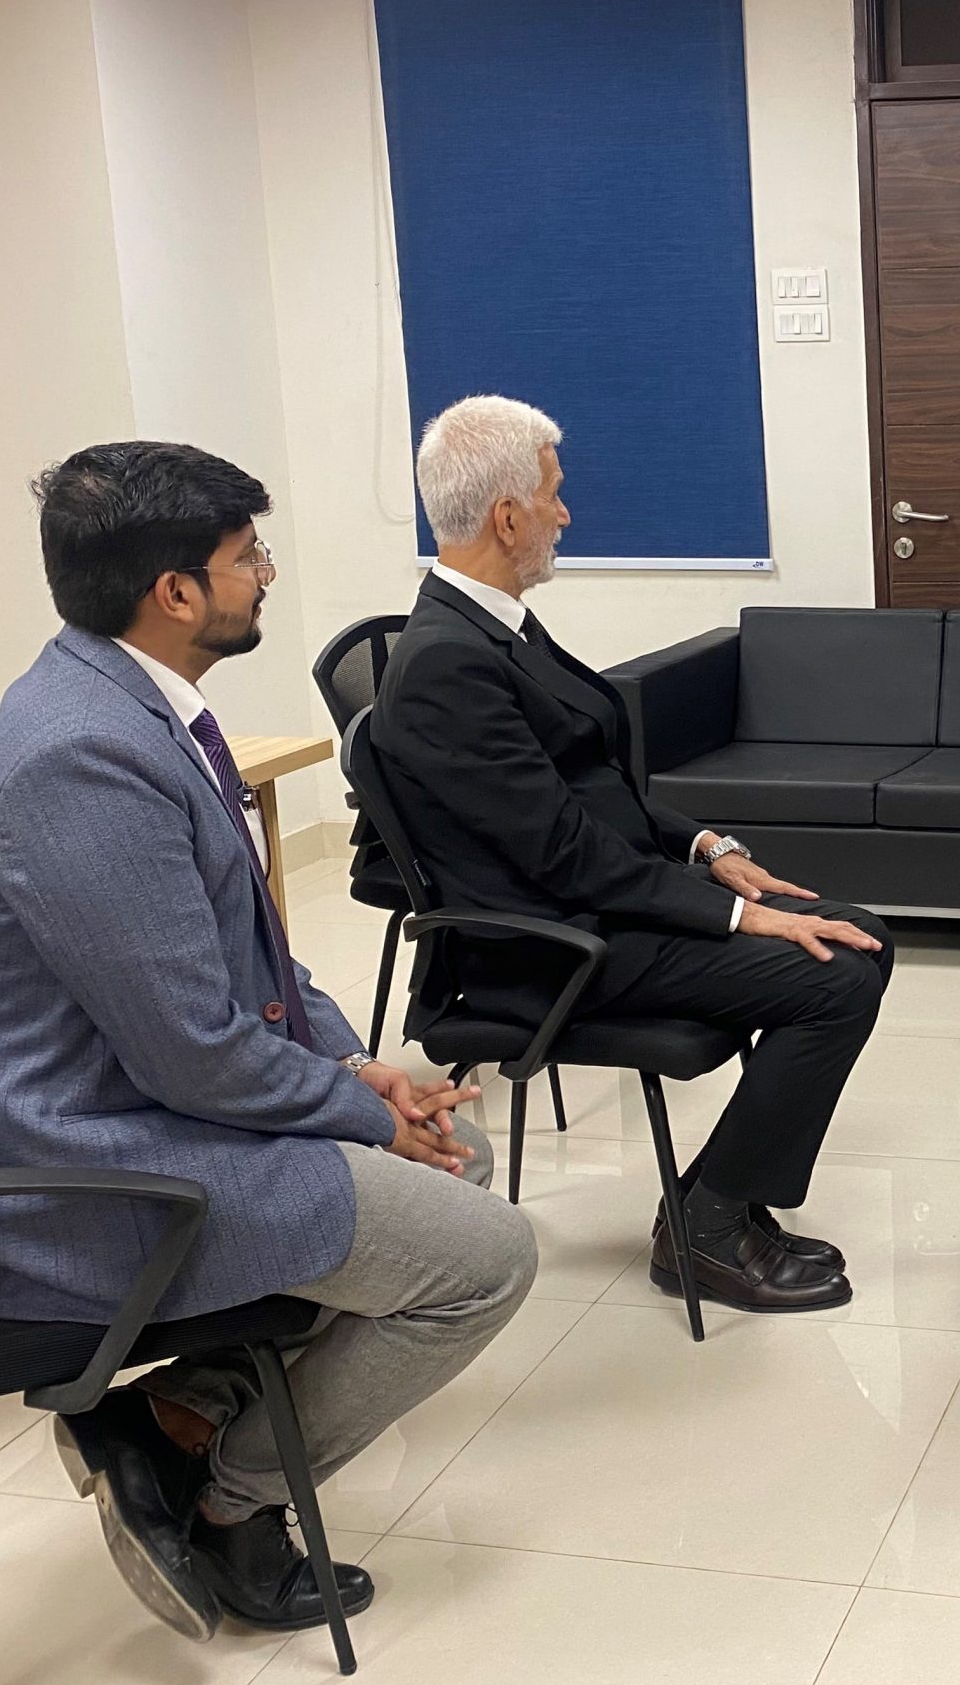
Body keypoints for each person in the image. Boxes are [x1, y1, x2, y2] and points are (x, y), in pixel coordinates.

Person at [0, 442, 536, 1640]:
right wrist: (368, 1117)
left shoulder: (129, 707)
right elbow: (195, 1053)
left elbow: (251, 957)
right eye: (248, 555)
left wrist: (357, 1072)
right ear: (175, 592)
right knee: (488, 1259)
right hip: (84, 1170)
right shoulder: (78, 758)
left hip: (146, 1110)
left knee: (447, 1169)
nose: (266, 573)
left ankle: (171, 1418)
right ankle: (232, 1497)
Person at [369, 396, 892, 1316]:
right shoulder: (448, 661)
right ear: (508, 517)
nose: (565, 514)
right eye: (554, 494)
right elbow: (563, 854)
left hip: (595, 906)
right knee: (839, 973)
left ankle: (712, 1205)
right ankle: (710, 1227)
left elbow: (590, 777)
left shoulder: (493, 624)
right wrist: (740, 917)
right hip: (549, 946)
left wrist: (706, 845)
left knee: (858, 935)